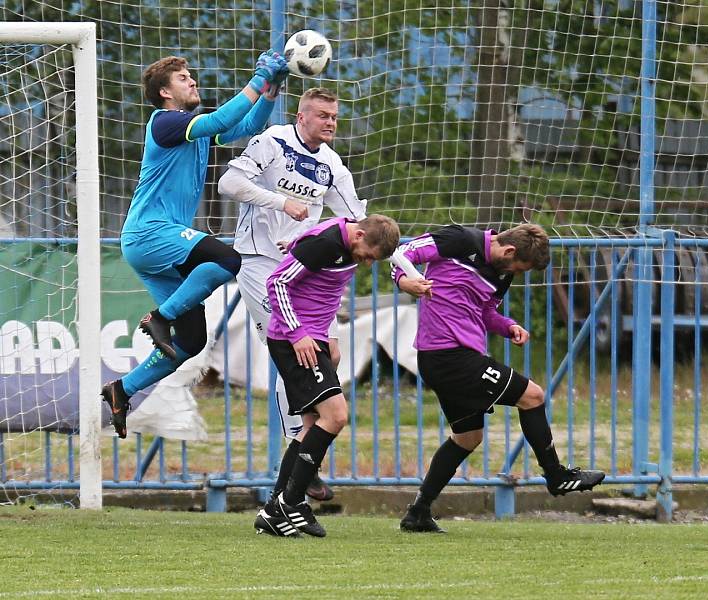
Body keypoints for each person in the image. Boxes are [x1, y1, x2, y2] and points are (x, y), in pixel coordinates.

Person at [100, 52, 289, 439]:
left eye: (190, 76)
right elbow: (221, 119)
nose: (192, 82)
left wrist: (271, 89)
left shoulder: (193, 128)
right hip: (150, 233)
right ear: (166, 93)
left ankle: (123, 390)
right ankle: (161, 317)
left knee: (190, 343)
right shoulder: (166, 123)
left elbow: (245, 124)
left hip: (156, 244)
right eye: (183, 78)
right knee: (227, 259)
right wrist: (258, 76)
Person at [391, 223, 605, 533]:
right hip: (448, 357)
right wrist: (404, 282)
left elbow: (486, 312)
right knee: (532, 395)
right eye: (521, 266)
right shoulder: (458, 239)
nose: (518, 273)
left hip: (458, 358)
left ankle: (418, 512)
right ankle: (556, 476)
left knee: (467, 438)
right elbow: (401, 253)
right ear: (509, 251)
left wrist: (508, 326)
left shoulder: (503, 273)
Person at [218, 87, 367, 502]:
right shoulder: (272, 142)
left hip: (303, 273)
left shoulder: (333, 164)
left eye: (334, 116)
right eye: (322, 115)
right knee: (295, 351)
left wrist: (400, 266)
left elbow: (359, 222)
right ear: (302, 117)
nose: (330, 122)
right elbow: (228, 182)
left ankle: (303, 456)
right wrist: (281, 202)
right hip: (261, 264)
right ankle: (303, 455)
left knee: (330, 355)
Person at [253, 214, 400, 537]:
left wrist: (329, 337)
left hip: (314, 339)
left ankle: (276, 508)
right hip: (295, 341)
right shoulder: (326, 244)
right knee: (335, 416)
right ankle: (288, 505)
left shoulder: (342, 238)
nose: (365, 263)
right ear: (359, 235)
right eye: (367, 255)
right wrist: (297, 333)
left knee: (309, 427)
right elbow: (277, 282)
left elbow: (322, 282)